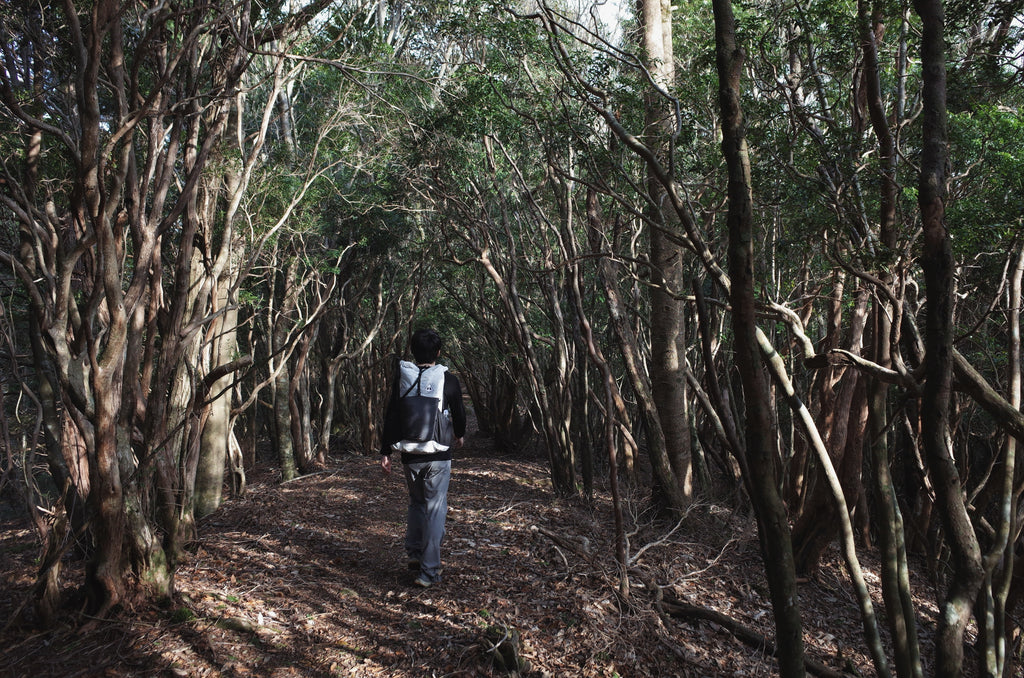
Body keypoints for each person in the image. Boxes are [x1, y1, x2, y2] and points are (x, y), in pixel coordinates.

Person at [380, 328, 466, 588]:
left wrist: (385, 451)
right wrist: (459, 435)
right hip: (438, 454)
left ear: (413, 351)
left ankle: (415, 554)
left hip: (410, 453)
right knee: (435, 508)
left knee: (417, 502)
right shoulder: (447, 379)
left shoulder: (403, 378)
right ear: (438, 353)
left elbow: (392, 414)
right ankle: (429, 571)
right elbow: (459, 412)